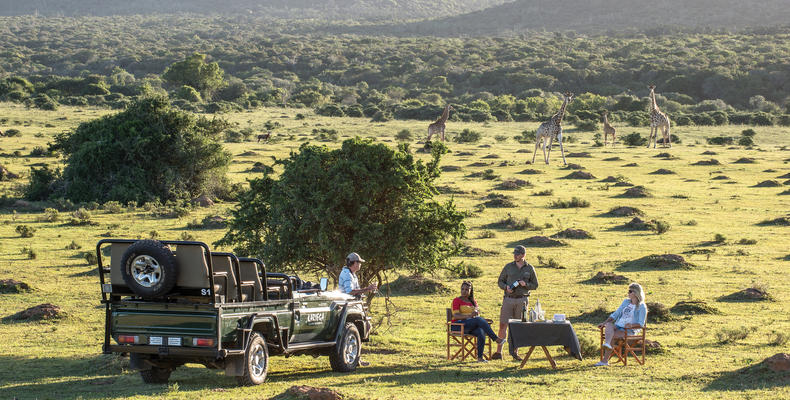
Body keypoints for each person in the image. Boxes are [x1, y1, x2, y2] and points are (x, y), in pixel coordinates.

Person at [493, 245, 538, 361]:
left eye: (517, 254)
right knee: (503, 325)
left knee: (518, 326)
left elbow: (535, 285)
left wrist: (526, 285)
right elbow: (500, 281)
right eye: (514, 253)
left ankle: (515, 353)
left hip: (522, 300)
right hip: (508, 299)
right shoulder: (508, 267)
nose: (515, 256)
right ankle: (499, 352)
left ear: (523, 255)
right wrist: (506, 287)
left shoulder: (530, 268)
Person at [595, 282, 648, 366]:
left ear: (635, 293)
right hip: (618, 326)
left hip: (629, 330)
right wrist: (604, 322)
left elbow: (641, 324)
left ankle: (604, 361)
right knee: (608, 325)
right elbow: (615, 314)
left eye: (630, 291)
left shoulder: (642, 307)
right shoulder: (626, 302)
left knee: (611, 335)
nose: (628, 293)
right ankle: (607, 344)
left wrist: (631, 325)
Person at [451, 281, 505, 363]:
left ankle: (480, 358)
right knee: (478, 320)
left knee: (481, 331)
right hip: (458, 325)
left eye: (466, 289)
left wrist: (479, 317)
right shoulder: (456, 300)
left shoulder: (473, 301)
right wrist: (470, 316)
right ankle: (496, 339)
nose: (464, 291)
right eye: (462, 289)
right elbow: (456, 315)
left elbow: (477, 314)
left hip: (470, 325)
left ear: (470, 291)